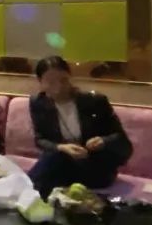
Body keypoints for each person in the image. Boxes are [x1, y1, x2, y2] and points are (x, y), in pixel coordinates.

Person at [26, 56, 133, 198]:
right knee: (54, 158)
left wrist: (103, 141)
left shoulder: (95, 102)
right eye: (50, 82)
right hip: (62, 167)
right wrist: (62, 147)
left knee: (48, 168)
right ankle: (30, 194)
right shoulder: (38, 103)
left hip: (95, 167)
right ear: (40, 82)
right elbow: (40, 139)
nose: (58, 87)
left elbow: (122, 141)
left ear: (70, 77)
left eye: (63, 80)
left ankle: (26, 192)